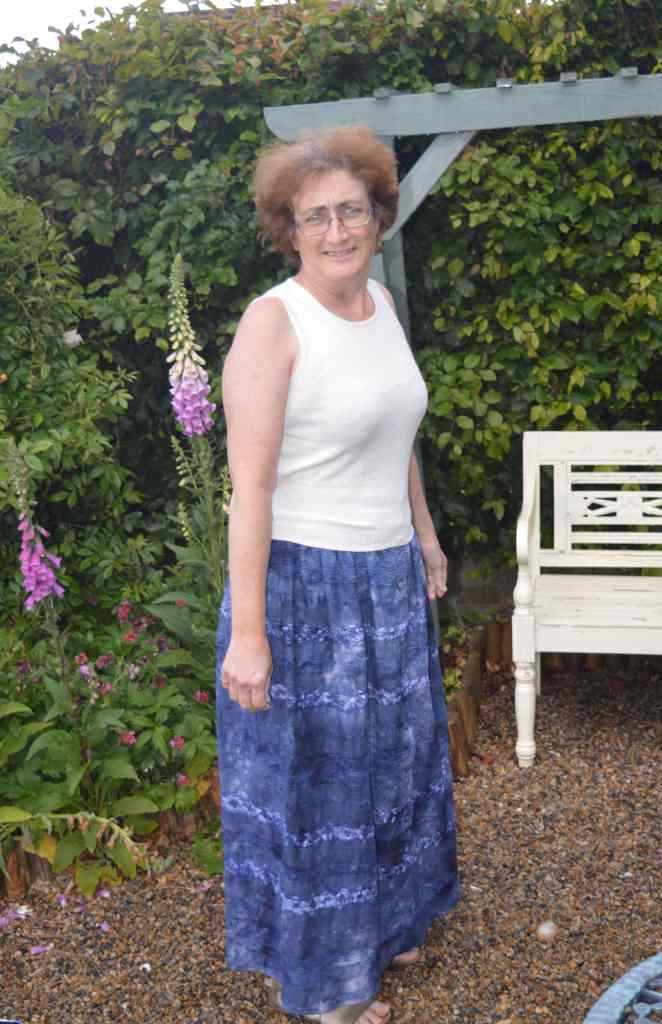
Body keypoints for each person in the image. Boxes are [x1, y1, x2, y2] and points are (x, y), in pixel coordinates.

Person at [215, 125, 459, 1024]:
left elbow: (397, 435)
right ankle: (326, 990)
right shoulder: (273, 323)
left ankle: (382, 929)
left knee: (393, 771)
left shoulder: (380, 305)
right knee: (320, 794)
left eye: (350, 210)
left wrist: (423, 536)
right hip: (305, 592)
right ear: (288, 229)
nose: (335, 230)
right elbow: (249, 491)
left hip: (385, 579)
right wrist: (249, 634)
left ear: (378, 216)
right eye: (314, 216)